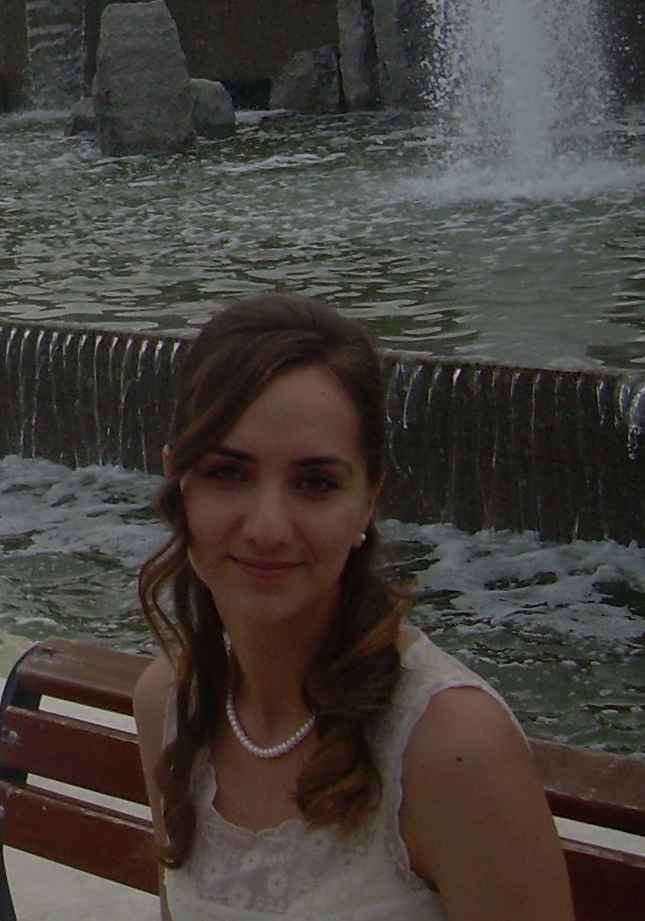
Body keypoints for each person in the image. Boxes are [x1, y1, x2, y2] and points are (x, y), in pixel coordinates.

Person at [133, 294, 574, 921]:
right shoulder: (172, 703)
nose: (267, 527)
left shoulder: (451, 748)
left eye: (315, 483)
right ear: (177, 481)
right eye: (227, 473)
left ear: (369, 500)